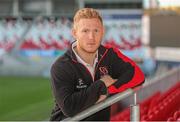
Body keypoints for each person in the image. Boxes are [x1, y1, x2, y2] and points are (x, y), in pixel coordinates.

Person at [50, 8, 145, 121]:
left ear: (103, 32)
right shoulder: (61, 66)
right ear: (75, 33)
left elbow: (138, 77)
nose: (91, 37)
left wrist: (107, 90)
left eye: (96, 30)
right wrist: (101, 84)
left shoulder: (109, 55)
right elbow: (69, 107)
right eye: (85, 31)